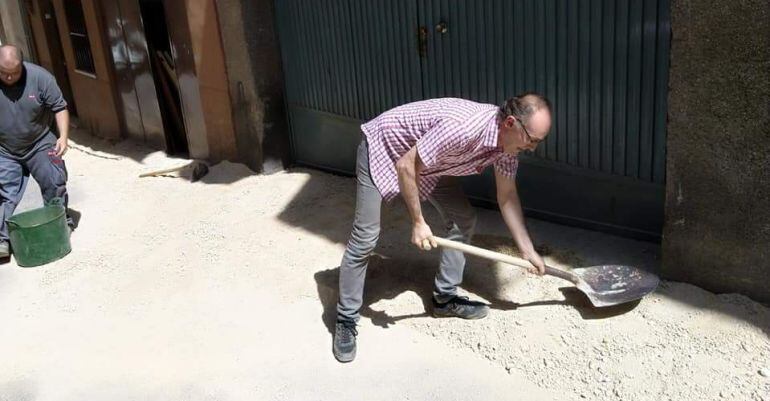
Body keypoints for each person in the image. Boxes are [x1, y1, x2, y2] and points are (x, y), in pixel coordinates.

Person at [333, 93, 553, 362]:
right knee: (366, 236)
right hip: (384, 147)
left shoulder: (507, 148)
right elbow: (405, 165)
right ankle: (345, 319)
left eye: (538, 142)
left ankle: (445, 299)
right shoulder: (464, 127)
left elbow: (506, 195)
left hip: (429, 163)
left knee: (463, 218)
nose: (532, 148)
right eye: (531, 140)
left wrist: (527, 250)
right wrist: (418, 222)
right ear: (510, 123)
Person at [0, 45, 73, 257]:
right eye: (4, 73)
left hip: (40, 141)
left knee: (54, 180)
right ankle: (2, 240)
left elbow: (59, 107)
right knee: (5, 192)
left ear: (22, 65)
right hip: (4, 148)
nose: (10, 77)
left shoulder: (41, 78)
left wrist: (63, 137)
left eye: (14, 72)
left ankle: (60, 224)